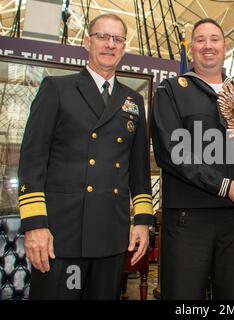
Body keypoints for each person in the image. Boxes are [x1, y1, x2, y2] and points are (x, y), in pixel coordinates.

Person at [18, 14, 154, 299]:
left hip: (112, 234)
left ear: (124, 47)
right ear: (87, 42)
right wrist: (35, 225)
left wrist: (142, 220)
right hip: (61, 234)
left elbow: (139, 170)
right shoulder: (57, 89)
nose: (110, 45)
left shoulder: (133, 100)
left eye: (117, 39)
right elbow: (32, 162)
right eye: (103, 37)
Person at [151, 18, 234, 299]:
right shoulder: (171, 91)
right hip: (189, 219)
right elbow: (172, 152)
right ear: (191, 50)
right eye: (200, 40)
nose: (208, 46)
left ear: (225, 48)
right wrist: (224, 185)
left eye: (214, 39)